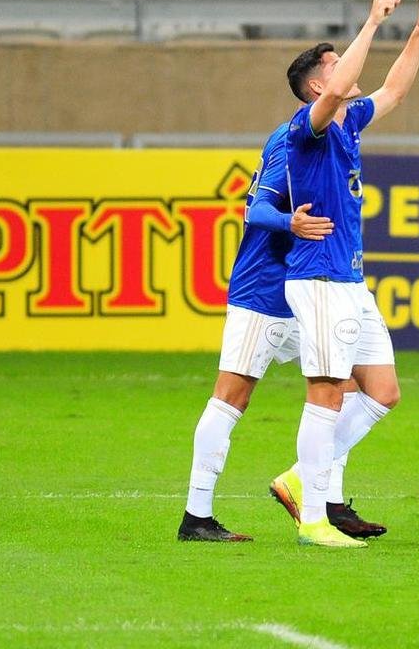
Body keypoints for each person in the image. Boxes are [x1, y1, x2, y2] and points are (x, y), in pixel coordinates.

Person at [269, 0, 419, 549]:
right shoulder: (309, 127)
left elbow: (393, 90)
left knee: (382, 391)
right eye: (335, 62)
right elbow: (343, 88)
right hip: (318, 278)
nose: (346, 65)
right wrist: (371, 21)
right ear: (319, 85)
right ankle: (314, 520)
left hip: (348, 280)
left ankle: (301, 476)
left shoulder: (350, 123)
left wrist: (418, 32)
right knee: (327, 391)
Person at [176, 121, 335, 542]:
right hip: (263, 292)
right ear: (319, 88)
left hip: (303, 291)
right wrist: (290, 223)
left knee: (351, 382)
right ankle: (196, 516)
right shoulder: (292, 139)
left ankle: (319, 494)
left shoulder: (330, 137)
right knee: (231, 396)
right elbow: (257, 210)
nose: (353, 88)